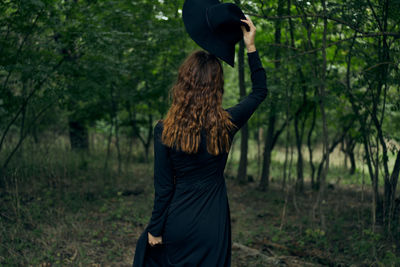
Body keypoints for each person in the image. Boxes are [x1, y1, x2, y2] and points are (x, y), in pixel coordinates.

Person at [132, 15, 267, 267]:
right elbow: (260, 91)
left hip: (178, 221)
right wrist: (251, 46)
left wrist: (155, 229)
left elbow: (163, 189)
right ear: (217, 86)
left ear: (183, 84)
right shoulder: (226, 123)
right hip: (213, 225)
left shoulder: (165, 130)